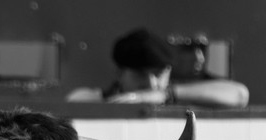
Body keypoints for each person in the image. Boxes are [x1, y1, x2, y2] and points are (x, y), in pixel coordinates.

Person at [66, 28, 248, 107]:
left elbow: (239, 94)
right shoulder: (92, 99)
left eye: (159, 74)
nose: (151, 83)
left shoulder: (175, 98)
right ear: (119, 73)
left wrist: (167, 95)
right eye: (140, 74)